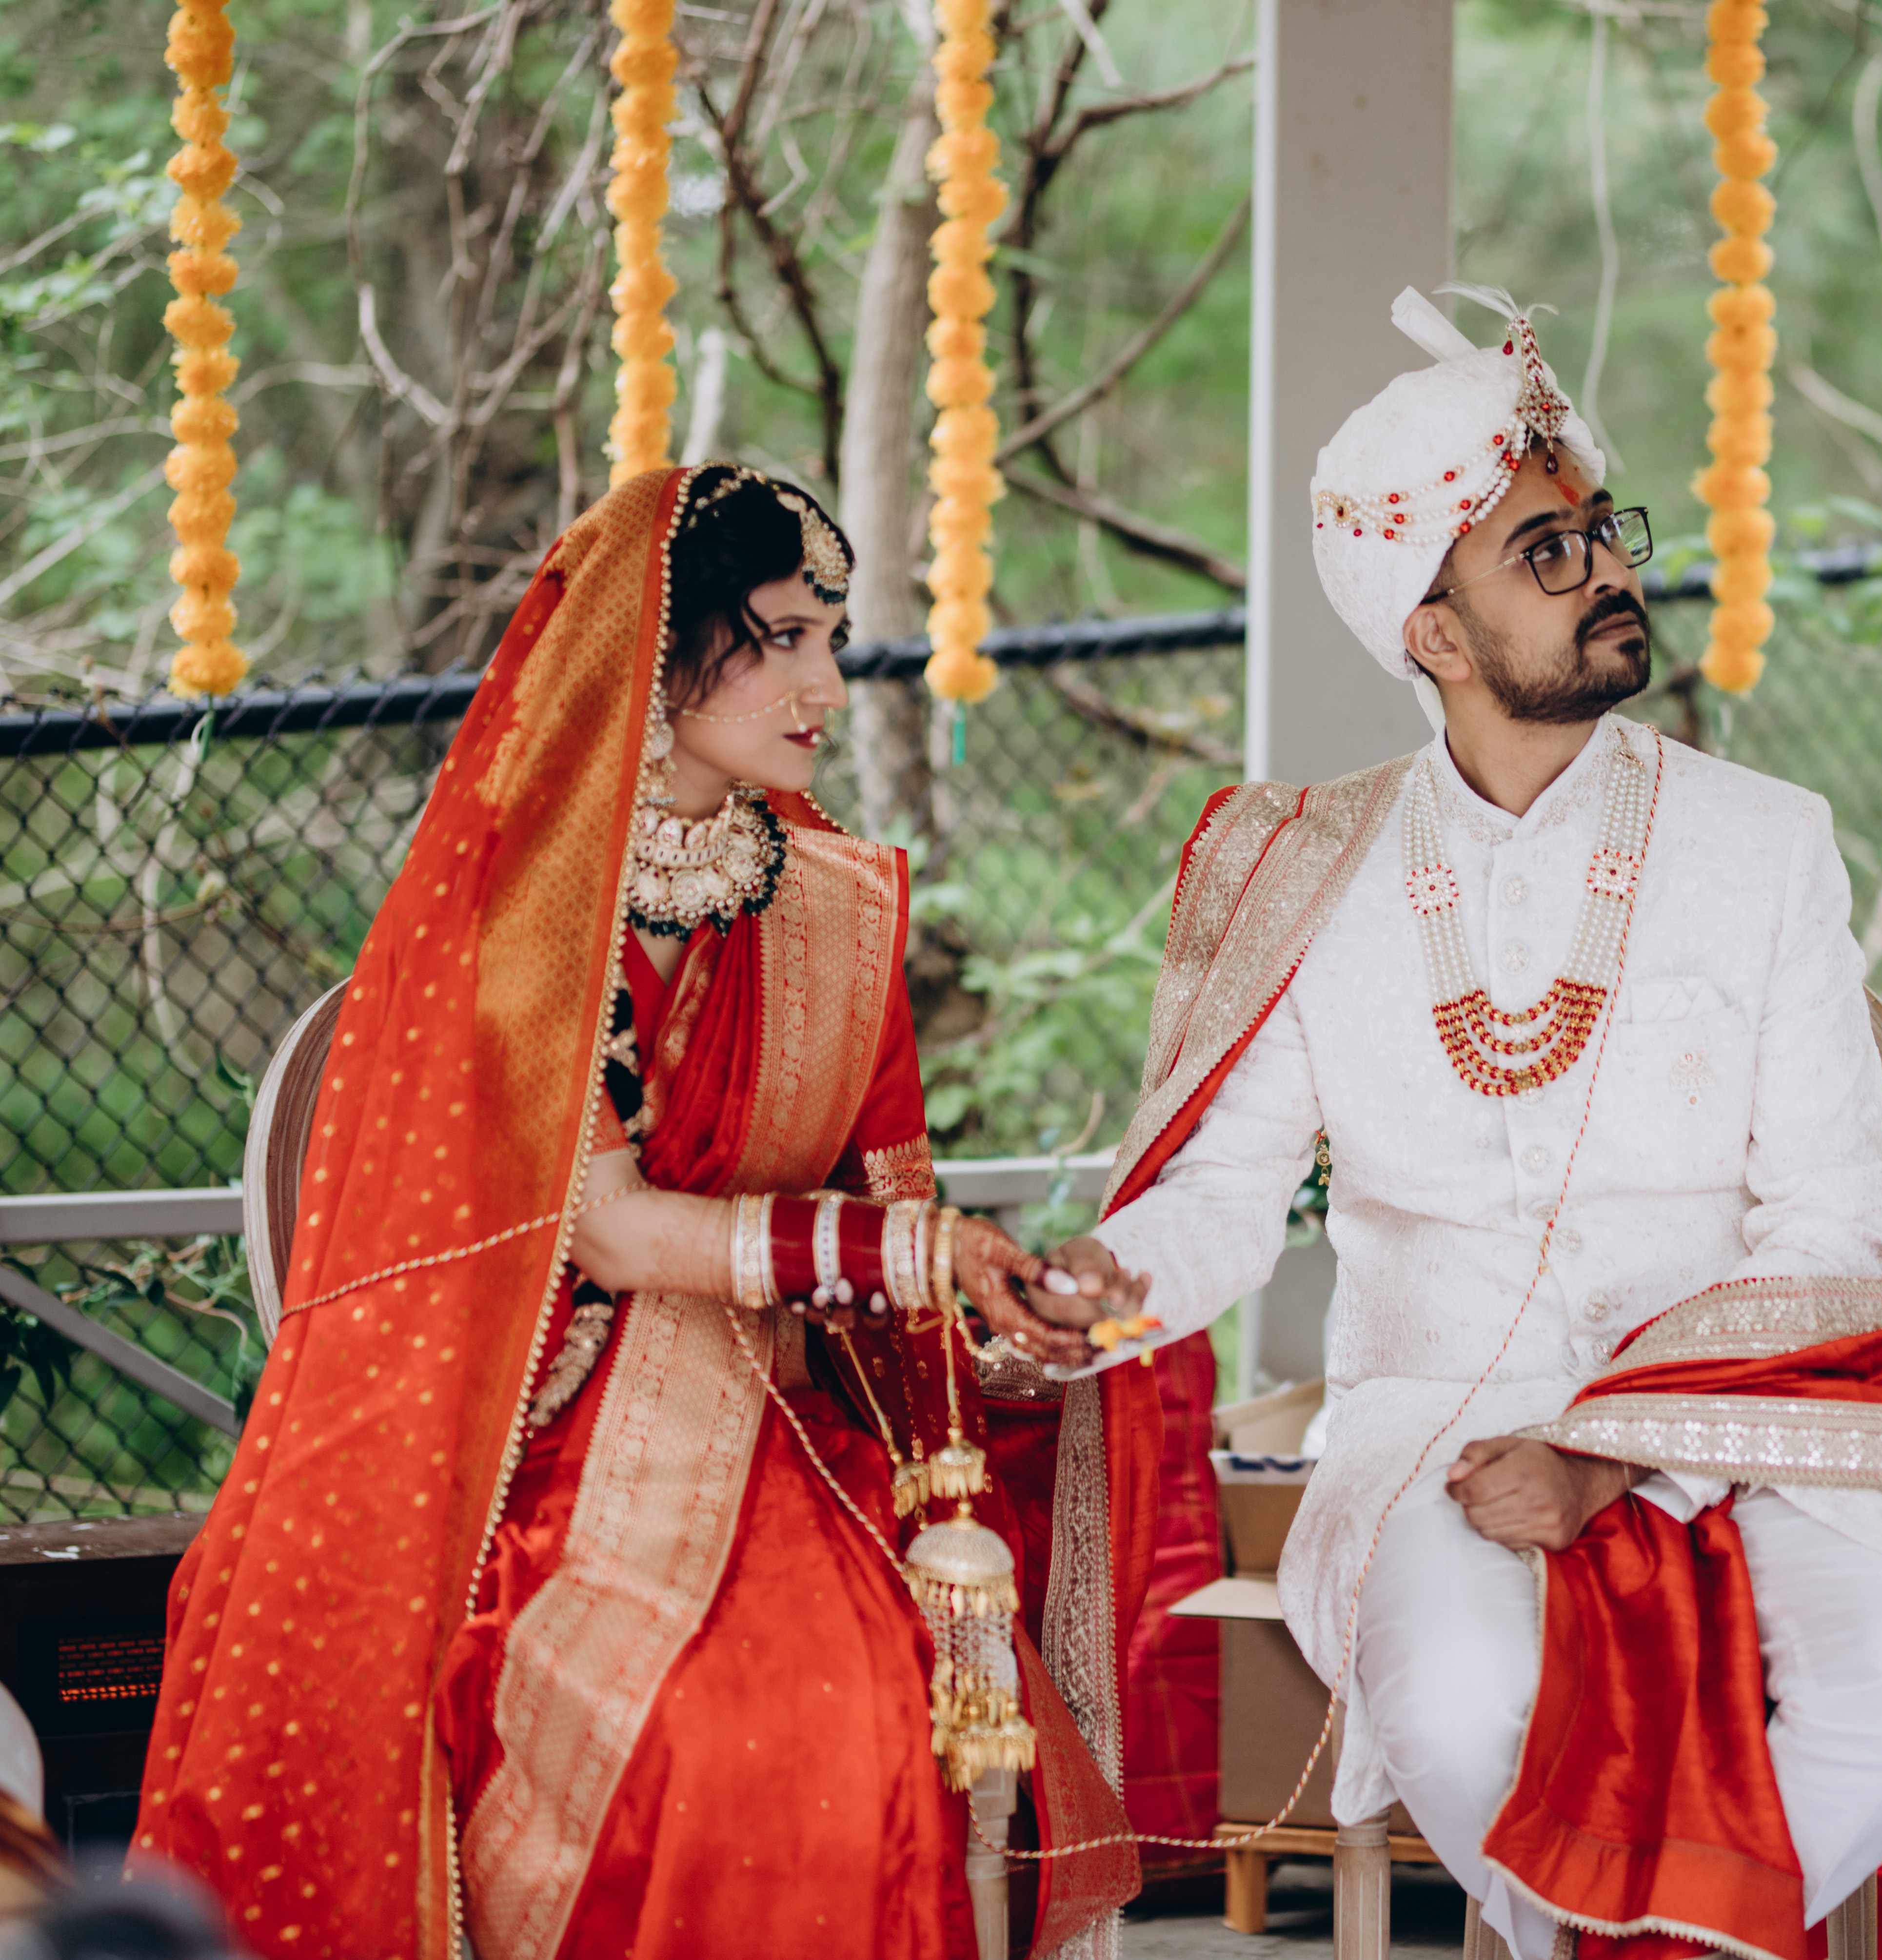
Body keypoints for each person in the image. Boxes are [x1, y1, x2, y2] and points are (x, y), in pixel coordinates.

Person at [997, 287, 1882, 1960]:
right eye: (1545, 553)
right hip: (1439, 1424)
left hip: (1750, 1419)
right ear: (1433, 635)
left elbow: (1836, 1226)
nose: (1609, 570)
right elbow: (1225, 1195)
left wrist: (1625, 1451)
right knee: (1465, 1696)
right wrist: (1103, 1286)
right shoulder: (1311, 872)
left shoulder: (1763, 841)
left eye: (1602, 531)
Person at [133, 466, 1157, 1960]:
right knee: (718, 1730)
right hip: (531, 1424)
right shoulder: (523, 906)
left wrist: (988, 1310)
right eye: (785, 638)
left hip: (781, 1401)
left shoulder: (838, 909)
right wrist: (923, 1252)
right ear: (660, 656)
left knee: (874, 1694)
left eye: (831, 639)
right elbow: (610, 1230)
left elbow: (892, 1191)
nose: (827, 683)